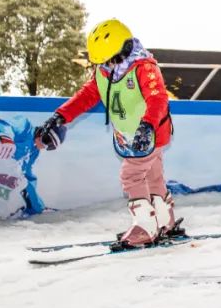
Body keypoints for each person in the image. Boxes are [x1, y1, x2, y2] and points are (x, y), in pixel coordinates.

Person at [35, 19, 177, 247]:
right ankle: (164, 221)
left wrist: (147, 126)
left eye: (111, 59)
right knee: (152, 176)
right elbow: (86, 96)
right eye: (103, 61)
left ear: (124, 49)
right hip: (130, 135)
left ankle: (145, 227)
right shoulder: (104, 72)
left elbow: (157, 98)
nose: (108, 65)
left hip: (148, 132)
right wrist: (60, 116)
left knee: (131, 175)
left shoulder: (144, 67)